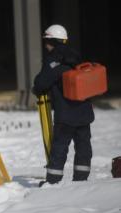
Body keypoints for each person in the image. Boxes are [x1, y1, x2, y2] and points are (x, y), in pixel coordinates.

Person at [32, 24, 94, 185]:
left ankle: (53, 182)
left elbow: (41, 82)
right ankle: (81, 181)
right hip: (84, 111)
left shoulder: (54, 58)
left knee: (59, 148)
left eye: (46, 41)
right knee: (83, 147)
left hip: (65, 113)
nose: (45, 45)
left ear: (51, 40)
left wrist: (36, 88)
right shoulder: (75, 55)